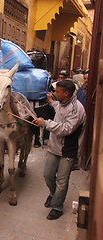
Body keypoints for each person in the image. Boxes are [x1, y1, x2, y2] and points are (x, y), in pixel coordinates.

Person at [33, 80, 86, 220]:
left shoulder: (76, 109)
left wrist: (45, 123)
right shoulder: (62, 102)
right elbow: (59, 107)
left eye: (57, 92)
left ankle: (57, 207)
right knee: (48, 175)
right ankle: (53, 194)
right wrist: (51, 101)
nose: (54, 93)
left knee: (62, 181)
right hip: (54, 146)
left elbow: (66, 129)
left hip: (69, 149)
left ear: (66, 94)